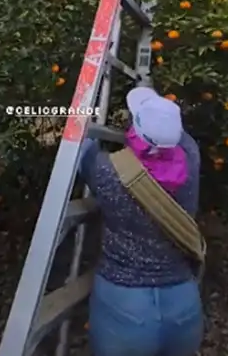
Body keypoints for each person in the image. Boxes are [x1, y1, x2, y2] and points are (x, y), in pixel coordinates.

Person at [77, 86, 203, 356]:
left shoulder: (107, 172)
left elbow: (80, 149)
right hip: (183, 302)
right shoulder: (191, 158)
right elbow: (178, 138)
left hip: (124, 305)